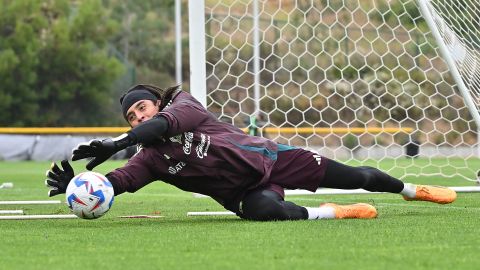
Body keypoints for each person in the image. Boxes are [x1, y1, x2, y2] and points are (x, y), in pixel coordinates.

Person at [45, 84, 457, 221]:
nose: (138, 117)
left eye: (141, 108)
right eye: (131, 117)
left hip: (274, 158)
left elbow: (165, 125)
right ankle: (333, 212)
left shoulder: (184, 107)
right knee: (264, 213)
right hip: (244, 192)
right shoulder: (148, 158)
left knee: (361, 176)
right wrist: (79, 187)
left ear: (155, 103)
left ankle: (410, 189)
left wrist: (117, 142)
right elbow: (118, 182)